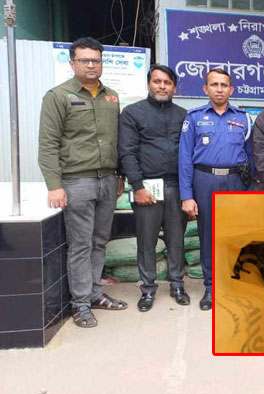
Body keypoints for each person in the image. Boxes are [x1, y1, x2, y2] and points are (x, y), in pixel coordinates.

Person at [38, 37, 128, 328]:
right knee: (80, 245)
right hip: (77, 181)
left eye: (96, 60)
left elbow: (117, 141)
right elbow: (48, 144)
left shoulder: (111, 96)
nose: (91, 65)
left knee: (99, 241)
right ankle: (80, 304)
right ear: (72, 63)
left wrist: (120, 176)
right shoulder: (58, 96)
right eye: (85, 60)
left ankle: (95, 294)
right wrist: (54, 185)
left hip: (108, 180)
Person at [178, 68, 253, 310]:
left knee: (236, 235)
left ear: (231, 89)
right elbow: (184, 159)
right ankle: (211, 287)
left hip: (236, 182)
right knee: (208, 235)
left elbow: (252, 158)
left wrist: (251, 192)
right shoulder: (194, 118)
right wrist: (187, 196)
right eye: (214, 84)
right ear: (205, 88)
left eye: (224, 85)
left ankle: (234, 284)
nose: (219, 89)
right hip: (205, 180)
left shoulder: (244, 118)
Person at [118, 64, 191, 311]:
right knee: (146, 241)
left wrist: (189, 192)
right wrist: (137, 186)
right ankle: (148, 289)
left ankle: (177, 284)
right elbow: (127, 152)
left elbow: (190, 154)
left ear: (174, 87)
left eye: (167, 83)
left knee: (176, 240)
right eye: (157, 81)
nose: (162, 86)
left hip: (176, 187)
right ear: (149, 84)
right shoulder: (132, 113)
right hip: (146, 188)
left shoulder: (183, 115)